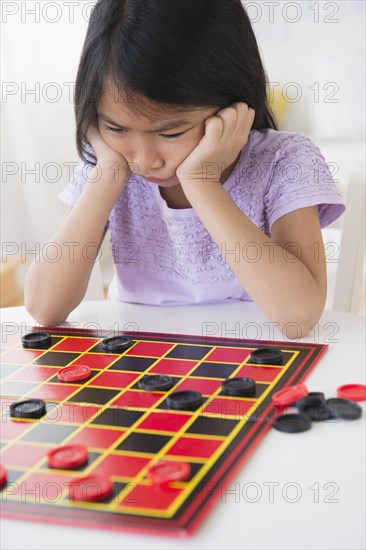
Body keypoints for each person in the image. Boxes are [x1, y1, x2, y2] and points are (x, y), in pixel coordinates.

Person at [25, 0, 345, 339]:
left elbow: (298, 317)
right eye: (117, 129)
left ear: (233, 106)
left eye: (170, 133)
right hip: (144, 364)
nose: (145, 160)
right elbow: (44, 308)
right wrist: (107, 175)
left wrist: (202, 183)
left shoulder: (285, 160)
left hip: (257, 360)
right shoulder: (109, 164)